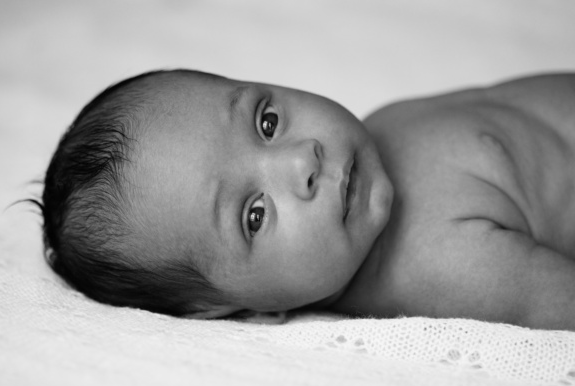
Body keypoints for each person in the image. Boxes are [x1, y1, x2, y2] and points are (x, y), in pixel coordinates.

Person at [39, 69, 575, 330]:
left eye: (266, 122)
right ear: (249, 309)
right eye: (254, 215)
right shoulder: (436, 263)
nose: (302, 162)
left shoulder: (378, 130)